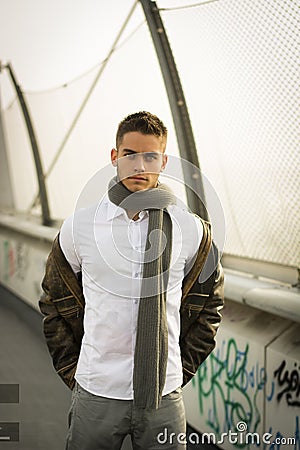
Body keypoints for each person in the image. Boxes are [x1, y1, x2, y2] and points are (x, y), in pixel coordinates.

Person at [39, 111, 224, 450]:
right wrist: (72, 368)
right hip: (96, 390)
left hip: (163, 395)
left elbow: (210, 304)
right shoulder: (79, 226)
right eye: (130, 155)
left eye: (150, 156)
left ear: (163, 161)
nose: (140, 166)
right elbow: (53, 300)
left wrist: (178, 371)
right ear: (114, 157)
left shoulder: (191, 229)